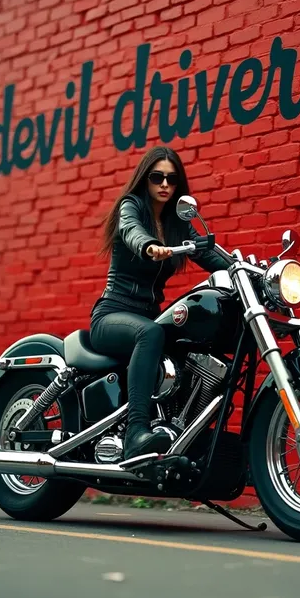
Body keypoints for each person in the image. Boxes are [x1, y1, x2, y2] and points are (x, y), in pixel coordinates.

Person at [90, 146, 229, 460]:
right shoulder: (132, 206)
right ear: (145, 179)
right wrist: (149, 245)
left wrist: (244, 269)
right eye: (157, 177)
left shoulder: (177, 223)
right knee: (151, 334)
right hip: (113, 314)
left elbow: (207, 254)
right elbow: (130, 230)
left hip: (148, 317)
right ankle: (136, 433)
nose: (164, 185)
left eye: (171, 179)